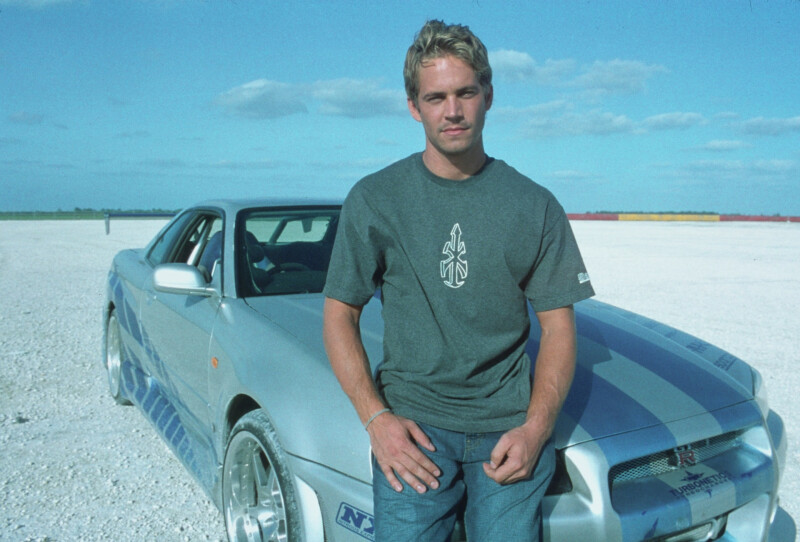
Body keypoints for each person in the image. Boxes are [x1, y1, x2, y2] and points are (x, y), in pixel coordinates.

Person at [322, 20, 594, 541]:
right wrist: (377, 420)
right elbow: (340, 315)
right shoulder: (375, 199)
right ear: (413, 106)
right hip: (414, 430)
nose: (453, 111)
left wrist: (536, 429)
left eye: (466, 93)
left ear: (488, 96)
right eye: (436, 97)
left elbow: (559, 328)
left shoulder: (534, 205)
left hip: (507, 430)